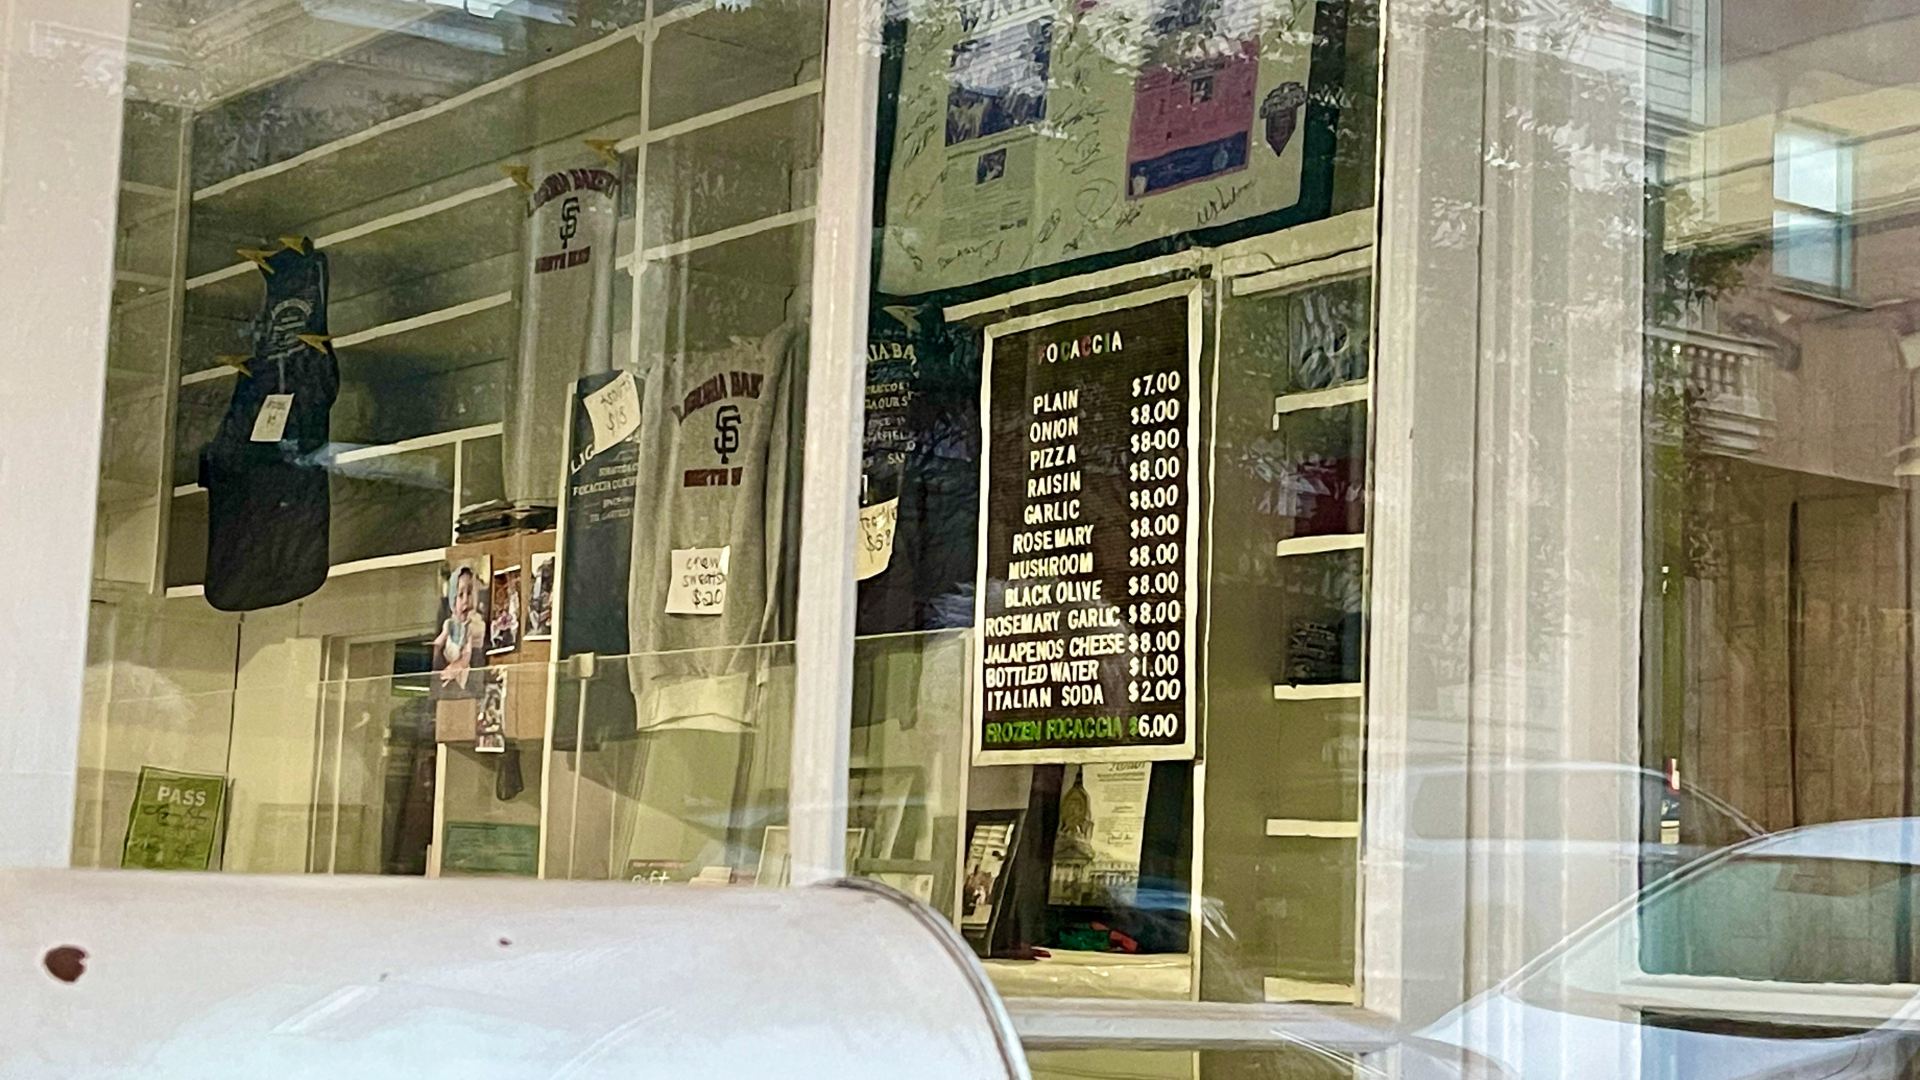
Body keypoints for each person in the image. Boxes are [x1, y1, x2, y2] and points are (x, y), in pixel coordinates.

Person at [435, 566, 484, 691]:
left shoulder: (473, 626)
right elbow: (438, 643)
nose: (466, 600)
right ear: (452, 599)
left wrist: (460, 664)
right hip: (448, 663)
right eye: (460, 595)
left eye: (470, 593)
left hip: (462, 668)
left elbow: (467, 653)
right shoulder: (448, 624)